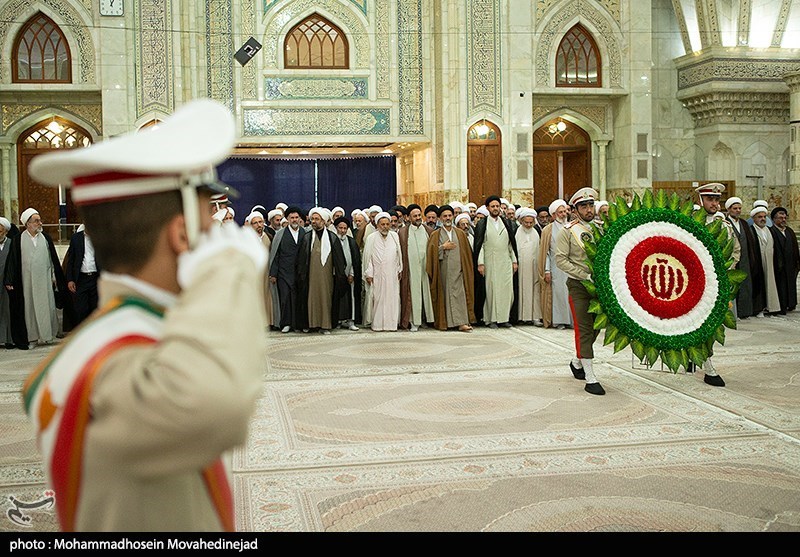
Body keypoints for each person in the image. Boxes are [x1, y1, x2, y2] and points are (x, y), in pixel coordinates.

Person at [21, 99, 268, 531]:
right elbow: (215, 408)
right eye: (209, 224)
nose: (218, 234)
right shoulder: (111, 360)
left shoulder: (132, 330)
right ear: (182, 235)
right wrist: (227, 270)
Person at [555, 188, 605, 395]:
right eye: (583, 206)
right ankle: (590, 377)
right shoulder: (567, 231)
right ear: (575, 210)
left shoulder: (601, 229)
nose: (588, 210)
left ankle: (577, 361)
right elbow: (560, 259)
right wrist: (583, 275)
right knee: (584, 329)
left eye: (590, 205)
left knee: (596, 327)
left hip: (600, 286)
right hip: (579, 285)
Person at [3, 208, 70, 348]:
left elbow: (53, 260)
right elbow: (12, 261)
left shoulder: (45, 238)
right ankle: (32, 338)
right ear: (28, 224)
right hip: (26, 282)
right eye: (36, 221)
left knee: (47, 307)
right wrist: (9, 280)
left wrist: (55, 277)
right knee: (29, 310)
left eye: (40, 220)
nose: (40, 223)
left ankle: (47, 336)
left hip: (44, 281)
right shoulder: (18, 239)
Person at [296, 208, 346, 334]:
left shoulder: (332, 238)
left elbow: (340, 261)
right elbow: (301, 260)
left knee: (325, 298)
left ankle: (325, 325)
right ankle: (310, 324)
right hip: (310, 276)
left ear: (323, 221)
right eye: (312, 219)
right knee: (310, 298)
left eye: (317, 219)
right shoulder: (307, 237)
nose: (314, 221)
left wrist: (339, 275)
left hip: (327, 276)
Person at [426, 205, 475, 332]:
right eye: (445, 216)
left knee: (460, 295)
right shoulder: (435, 235)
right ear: (440, 218)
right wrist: (443, 247)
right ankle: (446, 322)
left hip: (459, 271)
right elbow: (430, 254)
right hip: (443, 272)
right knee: (445, 297)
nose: (447, 218)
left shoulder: (460, 233)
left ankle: (461, 323)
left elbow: (467, 254)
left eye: (449, 215)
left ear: (453, 216)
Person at [472, 196, 518, 328]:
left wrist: (514, 261)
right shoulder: (482, 224)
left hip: (505, 262)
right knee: (491, 291)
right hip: (489, 261)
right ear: (488, 208)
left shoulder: (507, 223)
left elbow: (511, 244)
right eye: (493, 206)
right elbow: (480, 245)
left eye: (497, 206)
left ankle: (504, 318)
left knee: (507, 291)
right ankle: (491, 319)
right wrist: (480, 263)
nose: (495, 208)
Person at [269, 206, 307, 333]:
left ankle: (297, 324)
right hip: (283, 272)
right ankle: (286, 323)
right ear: (287, 219)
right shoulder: (280, 234)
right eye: (292, 218)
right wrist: (273, 273)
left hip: (300, 273)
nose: (294, 220)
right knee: (285, 298)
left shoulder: (305, 233)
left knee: (298, 299)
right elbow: (275, 255)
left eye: (296, 217)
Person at [362, 212, 402, 331]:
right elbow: (368, 257)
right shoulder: (371, 238)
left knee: (392, 298)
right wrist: (369, 273)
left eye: (387, 224)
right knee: (377, 298)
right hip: (377, 274)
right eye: (382, 224)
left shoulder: (394, 236)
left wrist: (400, 269)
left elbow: (398, 255)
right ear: (377, 225)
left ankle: (391, 325)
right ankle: (377, 325)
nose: (385, 227)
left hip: (392, 274)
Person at [537, 199, 572, 329]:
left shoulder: (571, 226)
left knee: (571, 292)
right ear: (553, 215)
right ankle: (559, 321)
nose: (563, 214)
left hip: (571, 266)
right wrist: (547, 270)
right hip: (556, 267)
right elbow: (546, 252)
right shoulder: (548, 230)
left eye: (564, 211)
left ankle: (572, 320)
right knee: (558, 293)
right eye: (560, 212)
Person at [398, 204, 434, 331]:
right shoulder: (403, 232)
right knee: (413, 295)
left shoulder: (429, 231)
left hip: (426, 269)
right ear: (408, 217)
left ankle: (427, 319)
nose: (418, 218)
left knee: (427, 294)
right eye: (415, 216)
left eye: (419, 215)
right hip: (411, 269)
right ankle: (414, 321)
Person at [725, 197, 759, 318]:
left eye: (739, 208)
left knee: (745, 285)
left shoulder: (744, 224)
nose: (738, 211)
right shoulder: (725, 223)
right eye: (735, 208)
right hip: (732, 260)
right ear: (729, 209)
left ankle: (744, 311)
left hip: (745, 260)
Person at [64, 227, 100, 325]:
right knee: (81, 309)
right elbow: (71, 260)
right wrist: (70, 279)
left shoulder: (100, 237)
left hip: (95, 278)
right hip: (81, 279)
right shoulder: (76, 238)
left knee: (95, 309)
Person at [333, 217, 362, 330]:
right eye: (340, 228)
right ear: (336, 228)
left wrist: (352, 274)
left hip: (349, 275)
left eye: (345, 228)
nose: (342, 230)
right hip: (336, 275)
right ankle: (338, 321)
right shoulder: (332, 240)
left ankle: (351, 321)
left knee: (351, 298)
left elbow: (355, 260)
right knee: (338, 299)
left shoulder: (351, 241)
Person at [769, 207, 800, 313]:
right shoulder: (771, 231)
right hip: (778, 266)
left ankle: (791, 304)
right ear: (774, 219)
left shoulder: (789, 231)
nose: (783, 220)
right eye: (780, 218)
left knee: (790, 284)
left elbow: (795, 248)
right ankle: (781, 306)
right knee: (780, 286)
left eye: (784, 218)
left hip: (790, 265)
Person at [515, 207, 542, 326]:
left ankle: (536, 316)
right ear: (521, 221)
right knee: (523, 289)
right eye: (526, 222)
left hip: (535, 266)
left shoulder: (535, 233)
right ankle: (523, 316)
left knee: (535, 290)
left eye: (531, 222)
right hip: (522, 267)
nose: (528, 225)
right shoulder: (518, 232)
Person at [751, 206, 780, 316]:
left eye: (764, 217)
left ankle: (771, 306)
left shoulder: (769, 230)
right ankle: (759, 308)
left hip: (770, 263)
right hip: (758, 263)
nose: (762, 219)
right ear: (754, 218)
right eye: (759, 217)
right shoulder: (751, 230)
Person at [0, 217, 13, 347]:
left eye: (0, 231)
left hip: (7, 283)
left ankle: (9, 339)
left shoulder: (12, 244)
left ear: (6, 231)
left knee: (7, 311)